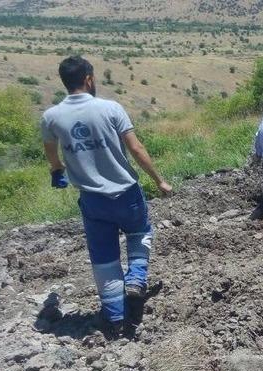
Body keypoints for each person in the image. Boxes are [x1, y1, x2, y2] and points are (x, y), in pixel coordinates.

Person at [40, 55, 172, 337]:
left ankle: (115, 318)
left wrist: (57, 170)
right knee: (139, 233)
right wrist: (159, 180)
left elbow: (51, 153)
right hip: (126, 193)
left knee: (104, 258)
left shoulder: (51, 117)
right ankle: (136, 279)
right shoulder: (111, 108)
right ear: (89, 79)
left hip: (92, 200)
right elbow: (136, 148)